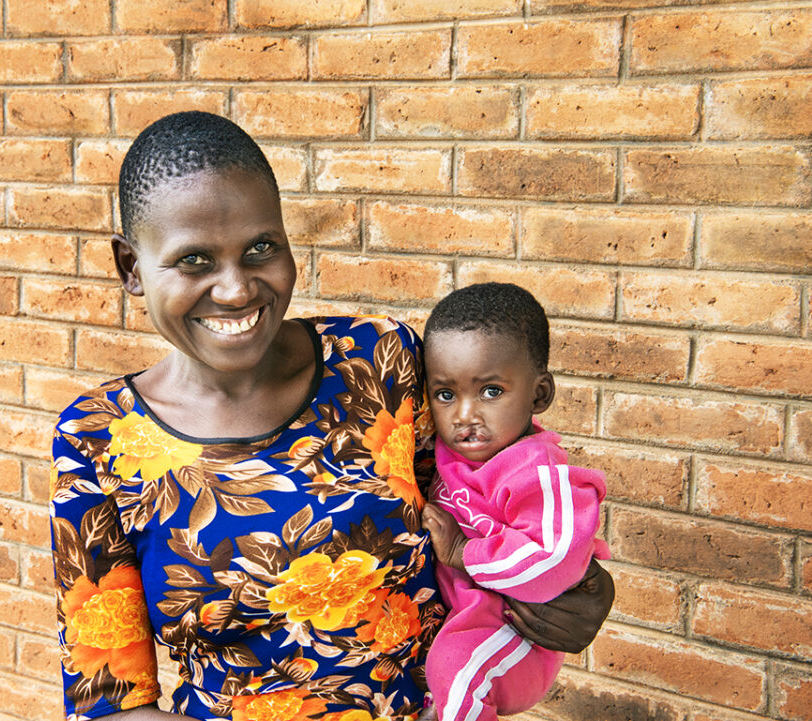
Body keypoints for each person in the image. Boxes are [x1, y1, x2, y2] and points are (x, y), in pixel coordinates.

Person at [50, 111, 614, 721]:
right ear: (131, 268)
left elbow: (498, 489)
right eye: (194, 261)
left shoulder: (379, 363)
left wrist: (583, 587)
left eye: (261, 248)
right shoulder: (95, 439)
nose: (236, 289)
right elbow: (108, 702)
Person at [419, 283, 610, 721]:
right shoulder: (454, 450)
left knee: (456, 663)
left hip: (515, 636)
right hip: (470, 619)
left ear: (539, 395)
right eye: (446, 395)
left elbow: (553, 560)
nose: (465, 415)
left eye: (490, 391)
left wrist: (461, 553)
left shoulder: (538, 473)